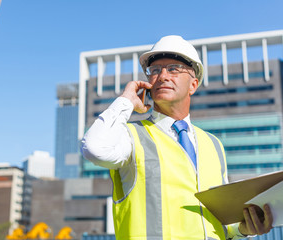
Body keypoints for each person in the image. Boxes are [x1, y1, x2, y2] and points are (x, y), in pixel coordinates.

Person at [81, 35, 274, 240]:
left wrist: (245, 229)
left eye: (173, 69)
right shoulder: (131, 136)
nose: (162, 76)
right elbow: (94, 148)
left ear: (193, 85)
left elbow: (224, 226)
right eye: (155, 70)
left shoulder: (214, 145)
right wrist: (126, 101)